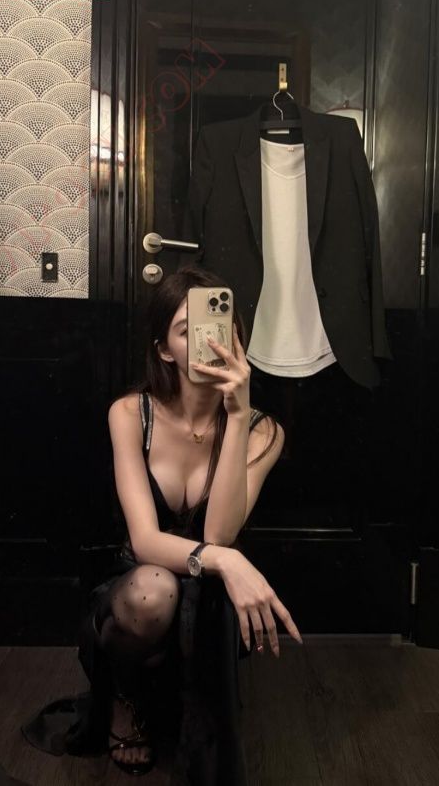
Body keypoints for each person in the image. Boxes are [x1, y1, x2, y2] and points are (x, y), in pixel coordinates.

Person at [21, 265, 302, 784]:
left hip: (212, 603)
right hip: (140, 587)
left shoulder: (265, 431)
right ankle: (124, 698)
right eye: (187, 330)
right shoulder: (130, 414)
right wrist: (226, 560)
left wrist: (238, 416)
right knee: (154, 591)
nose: (208, 342)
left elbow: (218, 533)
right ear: (164, 350)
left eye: (219, 327)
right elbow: (146, 540)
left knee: (198, 607)